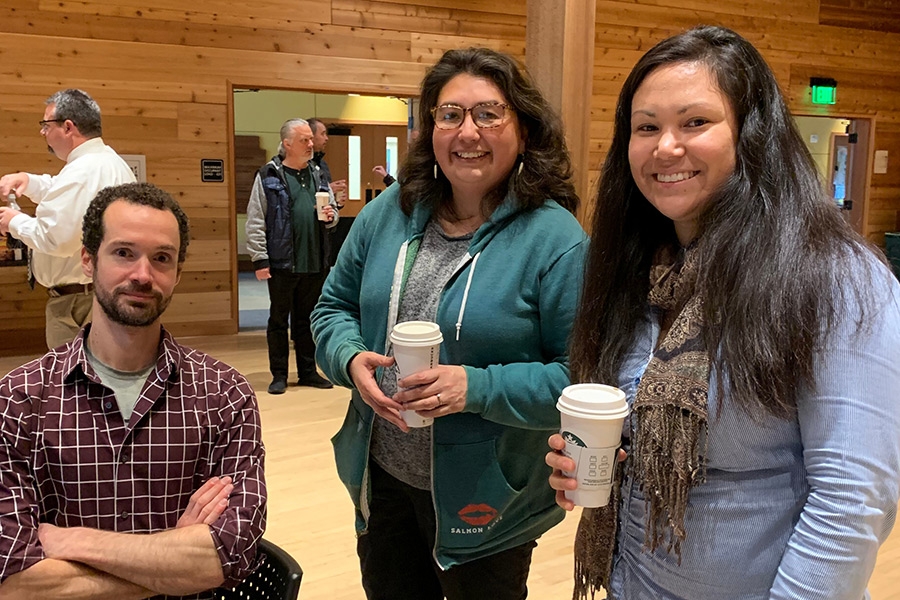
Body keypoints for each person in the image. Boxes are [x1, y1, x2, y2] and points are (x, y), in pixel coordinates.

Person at [546, 25, 900, 600]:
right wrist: (594, 468)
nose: (666, 147)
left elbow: (851, 499)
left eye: (695, 122)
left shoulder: (836, 276)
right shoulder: (640, 272)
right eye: (646, 127)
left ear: (752, 135)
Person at [311, 47, 587, 600]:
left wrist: (475, 386)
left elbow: (577, 378)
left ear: (525, 131)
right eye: (450, 114)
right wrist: (347, 357)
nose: (468, 131)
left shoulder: (556, 240)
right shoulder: (387, 212)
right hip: (382, 479)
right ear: (431, 128)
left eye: (489, 113)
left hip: (490, 497)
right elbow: (330, 310)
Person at [0, 182, 267, 598]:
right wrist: (172, 561)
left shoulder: (224, 395)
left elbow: (227, 556)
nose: (143, 275)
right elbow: (16, 583)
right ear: (88, 260)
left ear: (177, 272)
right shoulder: (18, 400)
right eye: (124, 253)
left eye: (161, 258)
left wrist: (74, 542)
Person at [0, 89, 136, 349]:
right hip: (96, 295)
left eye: (45, 125)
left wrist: (14, 221)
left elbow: (57, 239)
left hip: (77, 303)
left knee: (72, 385)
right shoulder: (106, 162)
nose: (43, 133)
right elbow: (67, 196)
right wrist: (29, 182)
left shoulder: (83, 171)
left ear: (68, 127)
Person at [246, 118, 339, 394]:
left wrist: (332, 217)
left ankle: (308, 371)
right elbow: (255, 219)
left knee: (307, 320)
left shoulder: (319, 174)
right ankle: (279, 375)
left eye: (311, 139)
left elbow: (331, 211)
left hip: (314, 261)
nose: (311, 144)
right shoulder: (268, 176)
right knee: (278, 320)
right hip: (281, 263)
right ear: (287, 144)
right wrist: (259, 259)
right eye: (304, 140)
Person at [308, 117, 348, 208]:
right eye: (322, 134)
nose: (326, 138)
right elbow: (304, 198)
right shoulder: (301, 164)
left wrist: (338, 201)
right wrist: (328, 190)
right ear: (311, 137)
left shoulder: (322, 164)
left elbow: (328, 203)